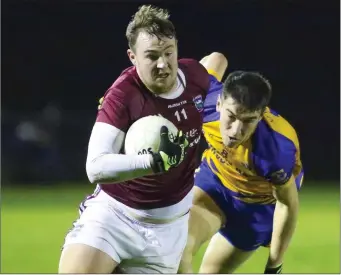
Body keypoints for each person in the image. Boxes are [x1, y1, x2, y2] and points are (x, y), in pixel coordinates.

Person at [58, 4, 227, 274]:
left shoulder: (194, 77)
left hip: (167, 230)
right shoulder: (123, 95)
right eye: (151, 56)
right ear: (132, 57)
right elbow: (95, 167)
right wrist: (153, 162)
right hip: (114, 216)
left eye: (168, 53)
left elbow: (216, 61)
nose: (162, 64)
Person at [178, 69, 303, 274]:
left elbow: (287, 203)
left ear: (261, 116)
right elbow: (214, 60)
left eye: (248, 120)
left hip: (256, 208)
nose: (236, 131)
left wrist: (275, 265)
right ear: (219, 103)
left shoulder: (274, 150)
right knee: (178, 250)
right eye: (232, 116)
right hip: (214, 183)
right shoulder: (204, 100)